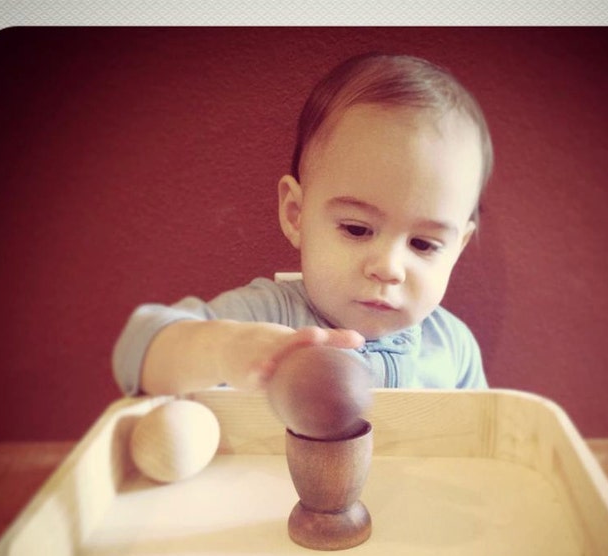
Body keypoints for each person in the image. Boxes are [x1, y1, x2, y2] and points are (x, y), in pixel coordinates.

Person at [112, 52, 494, 395]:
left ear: (457, 248)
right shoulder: (268, 319)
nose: (388, 268)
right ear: (296, 215)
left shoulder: (452, 348)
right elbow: (137, 351)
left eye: (424, 244)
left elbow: (481, 450)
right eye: (357, 229)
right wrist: (227, 349)